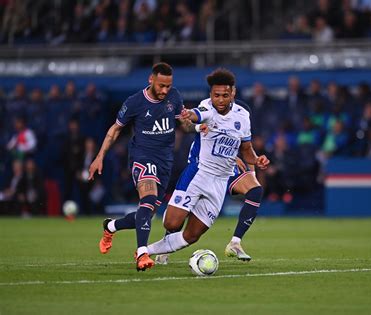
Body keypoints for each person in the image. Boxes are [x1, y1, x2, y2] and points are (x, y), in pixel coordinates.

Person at [88, 62, 205, 271]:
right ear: (151, 79)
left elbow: (183, 124)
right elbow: (115, 130)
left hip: (164, 162)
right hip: (142, 157)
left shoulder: (174, 97)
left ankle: (111, 226)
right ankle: (142, 253)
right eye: (161, 85)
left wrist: (196, 126)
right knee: (148, 201)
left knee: (147, 214)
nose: (164, 91)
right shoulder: (134, 102)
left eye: (168, 86)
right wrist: (99, 157)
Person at [145, 68, 269, 260]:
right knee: (171, 223)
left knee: (193, 235)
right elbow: (196, 115)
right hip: (199, 173)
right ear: (210, 94)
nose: (220, 99)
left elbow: (246, 149)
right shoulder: (207, 108)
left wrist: (257, 159)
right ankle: (156, 245)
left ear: (233, 93)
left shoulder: (243, 116)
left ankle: (146, 252)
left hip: (220, 181)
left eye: (224, 95)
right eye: (216, 95)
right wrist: (188, 115)